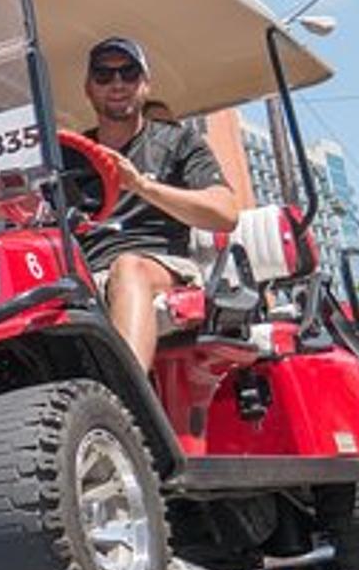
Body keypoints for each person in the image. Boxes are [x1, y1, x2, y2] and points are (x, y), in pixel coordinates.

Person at [78, 36, 239, 371]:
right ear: (89, 89)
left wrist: (140, 185)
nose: (117, 83)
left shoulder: (178, 142)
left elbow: (225, 214)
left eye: (129, 73)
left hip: (160, 265)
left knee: (127, 268)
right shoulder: (72, 154)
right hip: (84, 275)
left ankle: (127, 405)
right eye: (104, 75)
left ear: (146, 84)